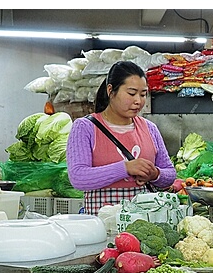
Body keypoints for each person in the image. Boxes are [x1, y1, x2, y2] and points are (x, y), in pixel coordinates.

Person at [66, 61, 176, 216]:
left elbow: (170, 173)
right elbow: (78, 177)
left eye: (143, 94)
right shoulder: (85, 127)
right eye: (131, 93)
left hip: (144, 221)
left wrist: (155, 174)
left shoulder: (150, 128)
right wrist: (125, 168)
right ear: (111, 90)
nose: (138, 101)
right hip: (101, 223)